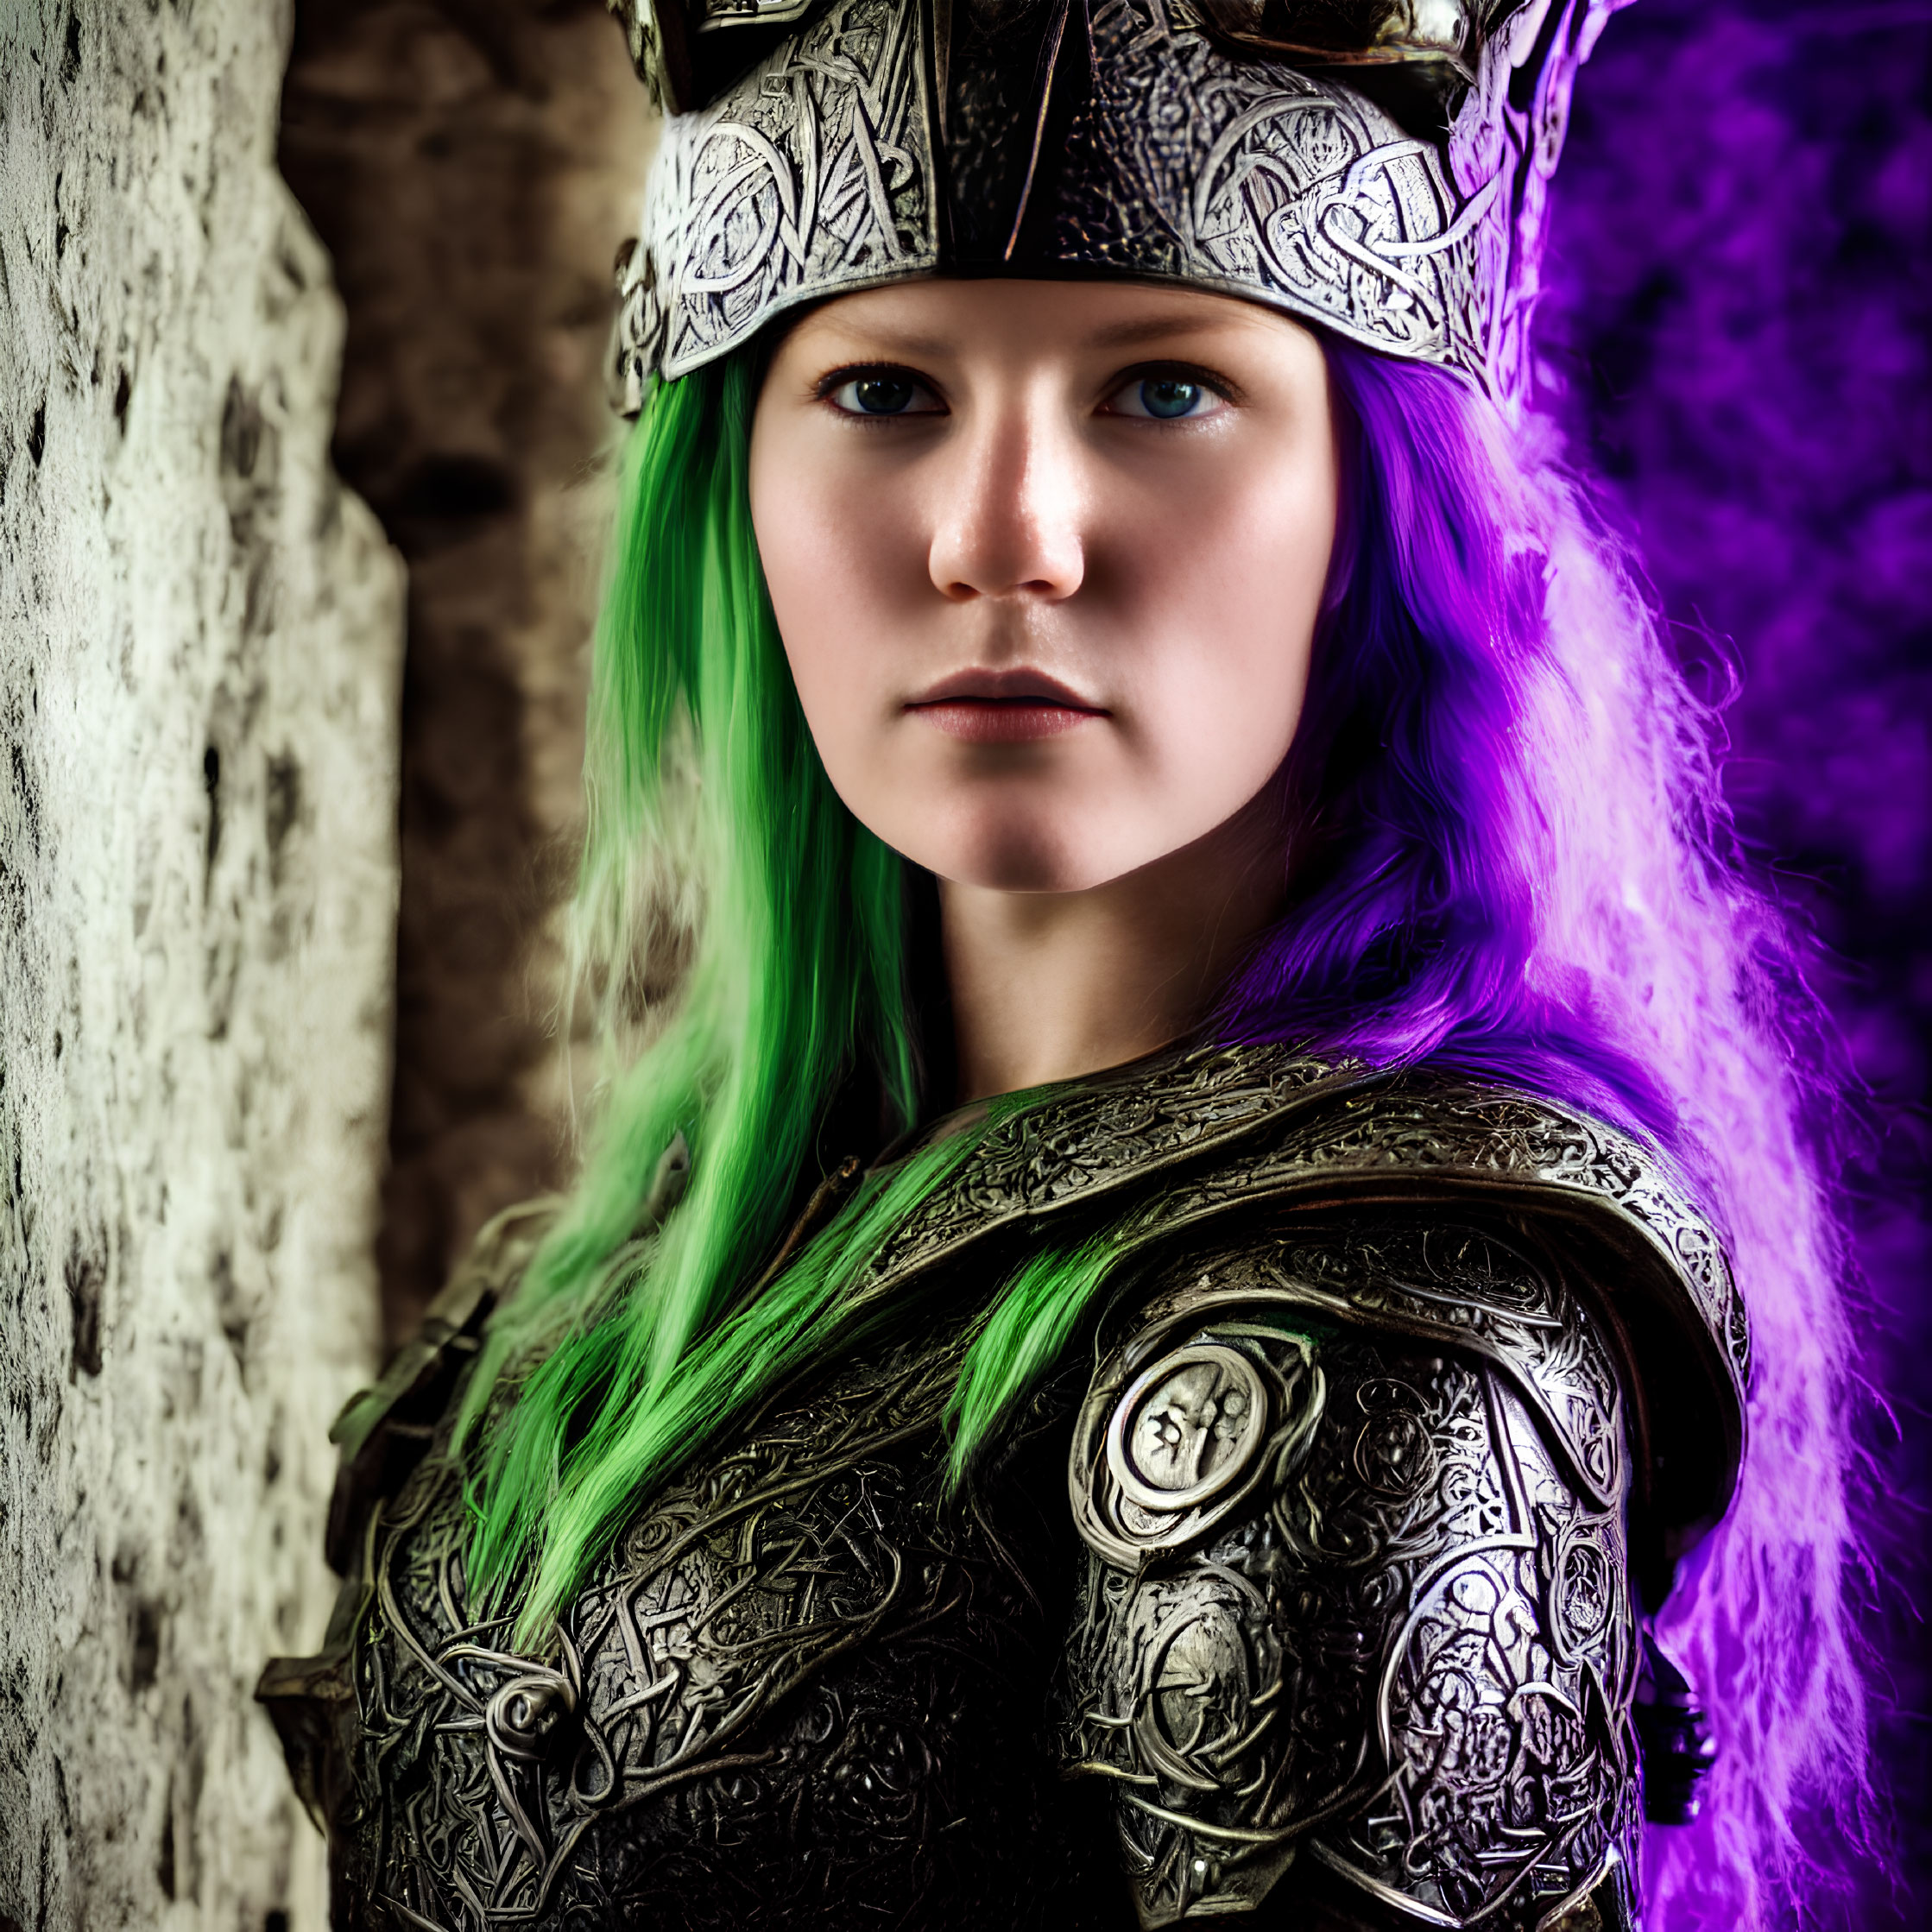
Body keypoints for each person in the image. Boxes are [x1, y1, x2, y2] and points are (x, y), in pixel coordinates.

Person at [261, 1, 1866, 1926]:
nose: (1000, 537)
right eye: (883, 392)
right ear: (733, 487)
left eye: (1163, 388)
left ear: (1374, 505)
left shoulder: (1368, 1343)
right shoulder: (604, 1285)